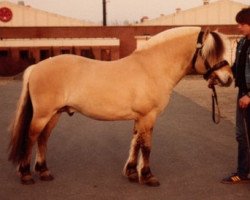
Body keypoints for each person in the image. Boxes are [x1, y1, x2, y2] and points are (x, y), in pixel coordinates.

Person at [221, 7, 250, 184]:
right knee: (241, 134)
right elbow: (236, 69)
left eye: (242, 24)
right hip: (242, 94)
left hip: (248, 96)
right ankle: (243, 171)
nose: (239, 27)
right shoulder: (241, 43)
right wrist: (219, 78)